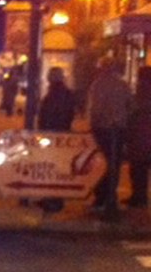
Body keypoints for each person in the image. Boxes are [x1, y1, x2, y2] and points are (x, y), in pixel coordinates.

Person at [87, 57, 131, 210]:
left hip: (102, 128)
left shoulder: (98, 84)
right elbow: (130, 105)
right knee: (114, 163)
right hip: (119, 129)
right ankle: (111, 194)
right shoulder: (122, 84)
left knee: (101, 163)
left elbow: (96, 109)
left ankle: (101, 197)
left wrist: (92, 125)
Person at [124, 66, 151, 209]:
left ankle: (139, 196)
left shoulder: (141, 92)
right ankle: (141, 197)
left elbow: (133, 111)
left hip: (140, 135)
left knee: (137, 168)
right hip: (145, 134)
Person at [37, 67, 77, 132]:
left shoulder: (54, 93)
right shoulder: (66, 93)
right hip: (61, 129)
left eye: (50, 75)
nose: (48, 78)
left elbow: (50, 113)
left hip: (52, 129)